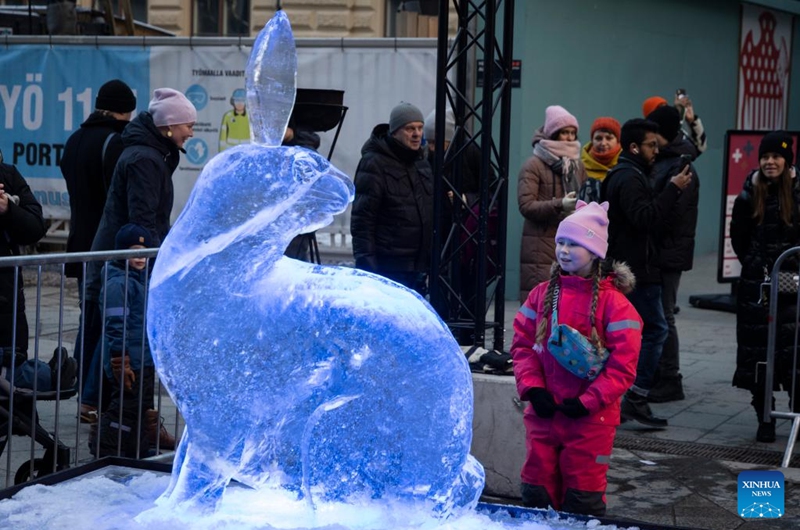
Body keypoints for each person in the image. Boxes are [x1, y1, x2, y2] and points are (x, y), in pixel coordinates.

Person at [511, 200, 642, 516]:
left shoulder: (616, 306)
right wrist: (533, 389)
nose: (564, 250)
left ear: (595, 251)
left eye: (574, 244)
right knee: (536, 491)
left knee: (581, 498)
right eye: (560, 242)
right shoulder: (540, 294)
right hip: (544, 414)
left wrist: (589, 401)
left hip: (590, 420)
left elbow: (623, 367)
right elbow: (522, 346)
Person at [600, 118, 692, 427]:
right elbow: (644, 218)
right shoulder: (629, 178)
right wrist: (672, 189)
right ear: (635, 147)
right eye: (652, 145)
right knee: (655, 330)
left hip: (632, 267)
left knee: (629, 333)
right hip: (637, 270)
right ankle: (636, 397)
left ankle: (620, 397)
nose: (657, 150)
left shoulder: (627, 174)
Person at [59, 79, 137, 412]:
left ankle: (82, 392)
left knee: (88, 316)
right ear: (126, 109)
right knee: (108, 321)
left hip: (80, 243)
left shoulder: (74, 140)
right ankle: (93, 399)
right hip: (107, 247)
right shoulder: (115, 143)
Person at [730, 131, 799, 443]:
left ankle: (796, 415)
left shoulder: (797, 193)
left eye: (776, 157)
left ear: (787, 160)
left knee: (794, 353)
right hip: (757, 285)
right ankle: (765, 416)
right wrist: (755, 267)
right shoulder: (750, 192)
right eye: (766, 157)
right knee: (757, 353)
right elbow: (740, 238)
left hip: (793, 284)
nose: (770, 162)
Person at [92, 223, 176, 457]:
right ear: (121, 252)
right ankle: (106, 447)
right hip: (130, 361)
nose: (140, 256)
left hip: (144, 359)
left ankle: (136, 448)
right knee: (125, 408)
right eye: (133, 250)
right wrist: (121, 360)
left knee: (140, 408)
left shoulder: (142, 280)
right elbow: (115, 325)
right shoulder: (119, 283)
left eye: (143, 250)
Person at [646, 106, 701, 403]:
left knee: (664, 314)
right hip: (664, 249)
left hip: (668, 251)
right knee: (658, 313)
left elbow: (671, 213)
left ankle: (671, 377)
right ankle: (659, 372)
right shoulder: (667, 160)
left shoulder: (679, 165)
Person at [350, 102, 433, 295]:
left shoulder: (421, 163)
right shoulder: (375, 163)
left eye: (420, 128)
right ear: (395, 131)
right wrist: (367, 265)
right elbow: (363, 219)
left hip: (418, 265)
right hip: (388, 265)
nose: (416, 134)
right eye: (410, 128)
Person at [518, 105, 587, 302]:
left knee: (568, 306)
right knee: (541, 306)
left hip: (571, 245)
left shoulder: (577, 165)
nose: (569, 138)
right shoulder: (534, 165)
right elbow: (526, 205)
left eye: (573, 133)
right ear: (553, 133)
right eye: (564, 132)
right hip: (540, 248)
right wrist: (560, 204)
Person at [0, 158, 46, 364]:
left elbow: (36, 226)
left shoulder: (7, 175)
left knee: (12, 374)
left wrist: (9, 209)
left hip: (6, 299)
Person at [642, 93, 707, 159]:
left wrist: (692, 121)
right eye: (660, 108)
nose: (665, 111)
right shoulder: (647, 150)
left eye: (666, 106)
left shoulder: (677, 138)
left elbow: (699, 148)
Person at [578, 117, 621, 204]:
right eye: (598, 138)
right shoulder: (580, 168)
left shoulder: (625, 167)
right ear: (592, 140)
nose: (603, 143)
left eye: (609, 138)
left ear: (618, 141)